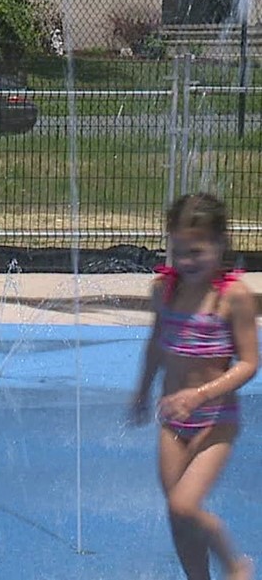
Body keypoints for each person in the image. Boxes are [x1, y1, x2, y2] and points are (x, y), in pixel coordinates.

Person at [129, 193, 257, 580]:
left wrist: (198, 395)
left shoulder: (232, 297)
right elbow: (155, 344)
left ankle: (235, 563)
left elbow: (250, 363)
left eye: (197, 251)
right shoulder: (165, 290)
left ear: (220, 244)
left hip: (215, 420)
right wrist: (142, 391)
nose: (187, 262)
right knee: (176, 515)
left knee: (185, 506)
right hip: (172, 421)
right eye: (179, 251)